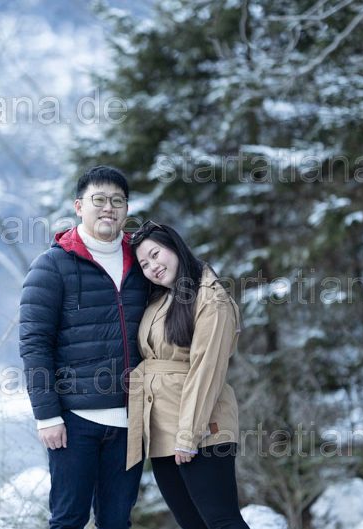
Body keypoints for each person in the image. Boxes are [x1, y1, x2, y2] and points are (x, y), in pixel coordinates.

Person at [19, 166, 148, 529]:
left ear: (126, 208)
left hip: (131, 421)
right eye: (99, 200)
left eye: (117, 201)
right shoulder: (51, 266)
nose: (109, 208)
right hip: (75, 422)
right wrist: (47, 416)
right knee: (68, 520)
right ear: (79, 206)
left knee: (117, 522)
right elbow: (34, 344)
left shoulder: (142, 261)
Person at [126, 221, 250, 529]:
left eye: (156, 254)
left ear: (175, 247)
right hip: (162, 428)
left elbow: (207, 369)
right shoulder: (160, 299)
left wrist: (188, 435)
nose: (152, 267)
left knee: (222, 521)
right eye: (144, 264)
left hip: (202, 427)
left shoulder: (211, 299)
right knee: (192, 524)